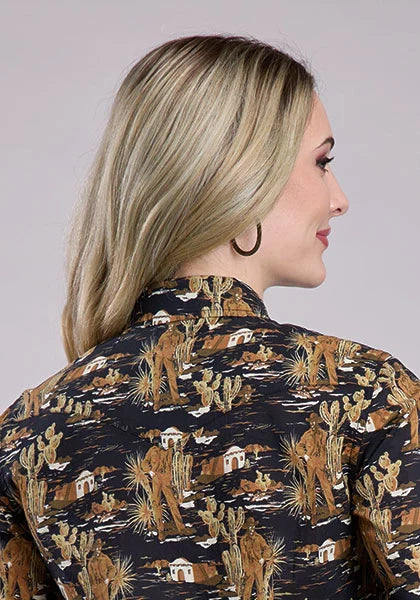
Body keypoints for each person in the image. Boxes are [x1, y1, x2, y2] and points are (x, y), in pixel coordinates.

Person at [1, 33, 419, 600]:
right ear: (240, 176)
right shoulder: (369, 395)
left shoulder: (27, 432)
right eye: (322, 163)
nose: (339, 198)